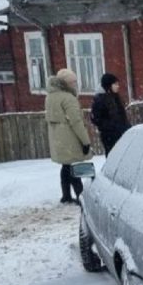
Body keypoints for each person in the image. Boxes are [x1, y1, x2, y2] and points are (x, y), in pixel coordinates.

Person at [45, 68, 92, 204]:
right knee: (74, 166)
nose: (75, 84)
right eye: (73, 82)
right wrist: (85, 141)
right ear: (65, 83)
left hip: (58, 137)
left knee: (66, 166)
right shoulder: (68, 98)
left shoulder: (50, 96)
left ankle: (66, 195)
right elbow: (76, 121)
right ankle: (81, 196)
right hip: (70, 137)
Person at [90, 73, 131, 156]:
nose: (118, 86)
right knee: (113, 156)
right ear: (108, 85)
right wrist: (111, 126)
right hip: (109, 136)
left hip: (121, 133)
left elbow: (121, 116)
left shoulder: (116, 98)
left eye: (118, 84)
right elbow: (96, 118)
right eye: (115, 84)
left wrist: (127, 127)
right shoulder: (100, 99)